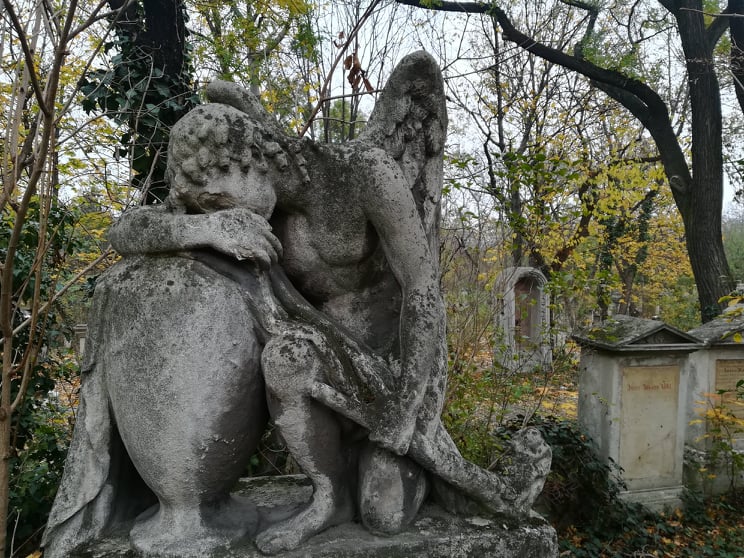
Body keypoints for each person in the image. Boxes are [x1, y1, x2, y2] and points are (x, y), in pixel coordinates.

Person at [106, 52, 545, 556]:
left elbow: (423, 291)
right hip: (317, 357)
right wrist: (206, 227)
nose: (228, 220)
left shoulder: (363, 172)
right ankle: (328, 497)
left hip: (396, 361)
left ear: (250, 161)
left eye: (221, 204)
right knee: (285, 358)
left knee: (384, 515)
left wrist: (407, 408)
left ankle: (440, 475)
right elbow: (127, 230)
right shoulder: (251, 201)